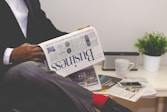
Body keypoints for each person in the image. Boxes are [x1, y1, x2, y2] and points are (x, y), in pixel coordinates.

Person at [0, 0, 132, 112]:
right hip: (7, 73)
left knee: (64, 97)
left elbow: (48, 32)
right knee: (29, 69)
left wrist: (75, 38)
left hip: (39, 74)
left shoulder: (31, 2)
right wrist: (11, 54)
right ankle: (102, 102)